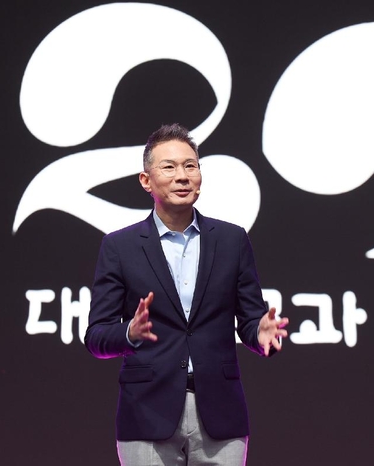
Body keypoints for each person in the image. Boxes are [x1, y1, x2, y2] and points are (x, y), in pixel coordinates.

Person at [84, 123, 289, 465]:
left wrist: (260, 334)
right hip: (146, 412)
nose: (182, 176)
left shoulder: (231, 240)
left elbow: (250, 320)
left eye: (190, 166)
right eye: (169, 167)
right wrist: (129, 333)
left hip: (220, 412)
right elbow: (96, 337)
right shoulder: (120, 247)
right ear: (146, 180)